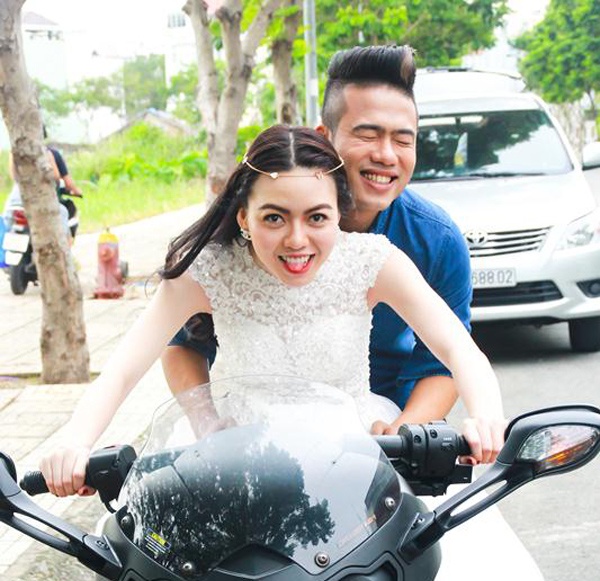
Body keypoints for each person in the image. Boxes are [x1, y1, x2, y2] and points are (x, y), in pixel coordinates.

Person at [40, 125, 504, 497]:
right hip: (232, 461)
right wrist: (74, 442)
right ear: (245, 217)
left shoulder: (373, 261)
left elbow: (458, 349)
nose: (297, 240)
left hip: (353, 458)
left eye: (317, 217)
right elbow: (122, 371)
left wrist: (486, 417)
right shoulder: (209, 271)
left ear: (339, 213)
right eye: (274, 218)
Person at [162, 44, 472, 426]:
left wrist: (400, 434)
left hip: (380, 426)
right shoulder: (252, 230)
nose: (386, 155)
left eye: (403, 140)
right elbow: (184, 345)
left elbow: (445, 362)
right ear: (324, 137)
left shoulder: (436, 240)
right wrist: (208, 425)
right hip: (254, 429)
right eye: (368, 135)